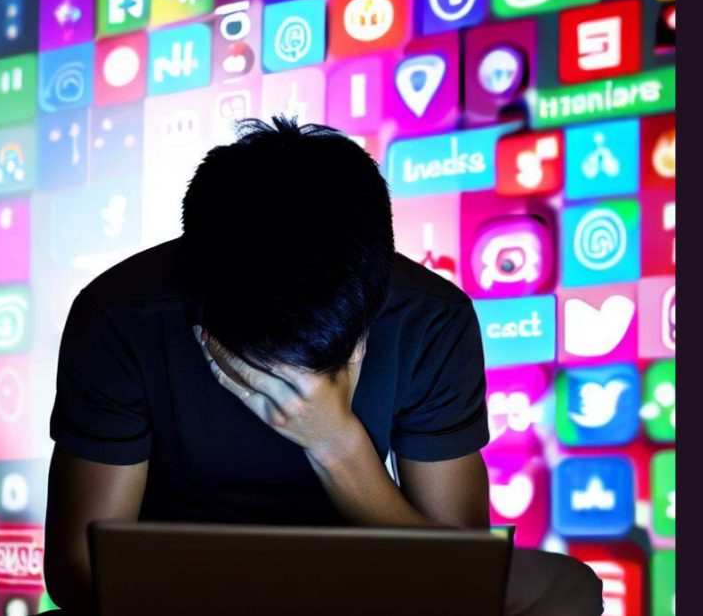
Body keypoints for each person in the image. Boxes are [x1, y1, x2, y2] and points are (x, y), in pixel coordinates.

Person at [42, 116, 603, 616]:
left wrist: (336, 443)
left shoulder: (430, 317)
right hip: (180, 600)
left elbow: (455, 576)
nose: (294, 378)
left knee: (563, 588)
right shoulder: (120, 314)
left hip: (367, 592)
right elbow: (77, 568)